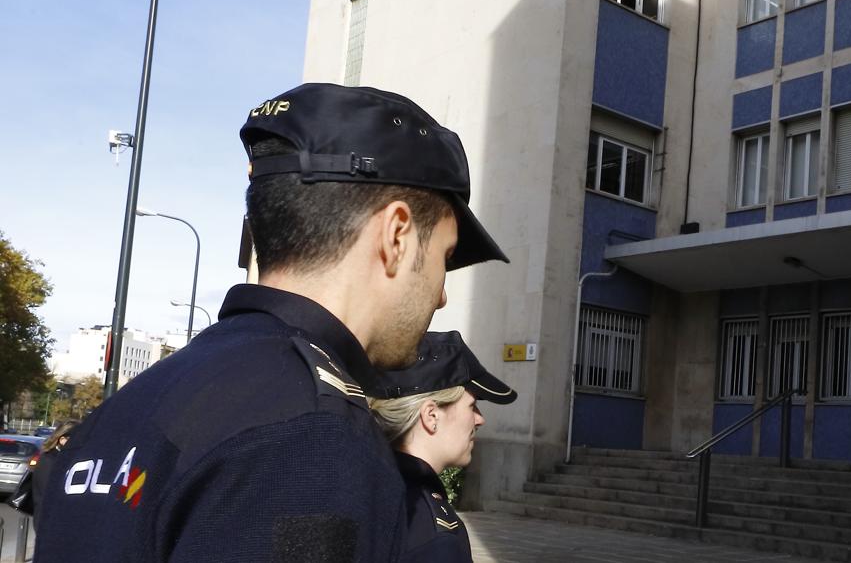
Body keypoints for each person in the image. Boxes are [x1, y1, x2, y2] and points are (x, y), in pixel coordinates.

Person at [33, 83, 508, 562]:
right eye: (444, 258)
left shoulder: (136, 401)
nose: (442, 294)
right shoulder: (311, 435)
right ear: (397, 236)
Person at [370, 331, 517, 562]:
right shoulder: (431, 531)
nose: (480, 419)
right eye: (472, 406)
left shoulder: (368, 486)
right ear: (431, 416)